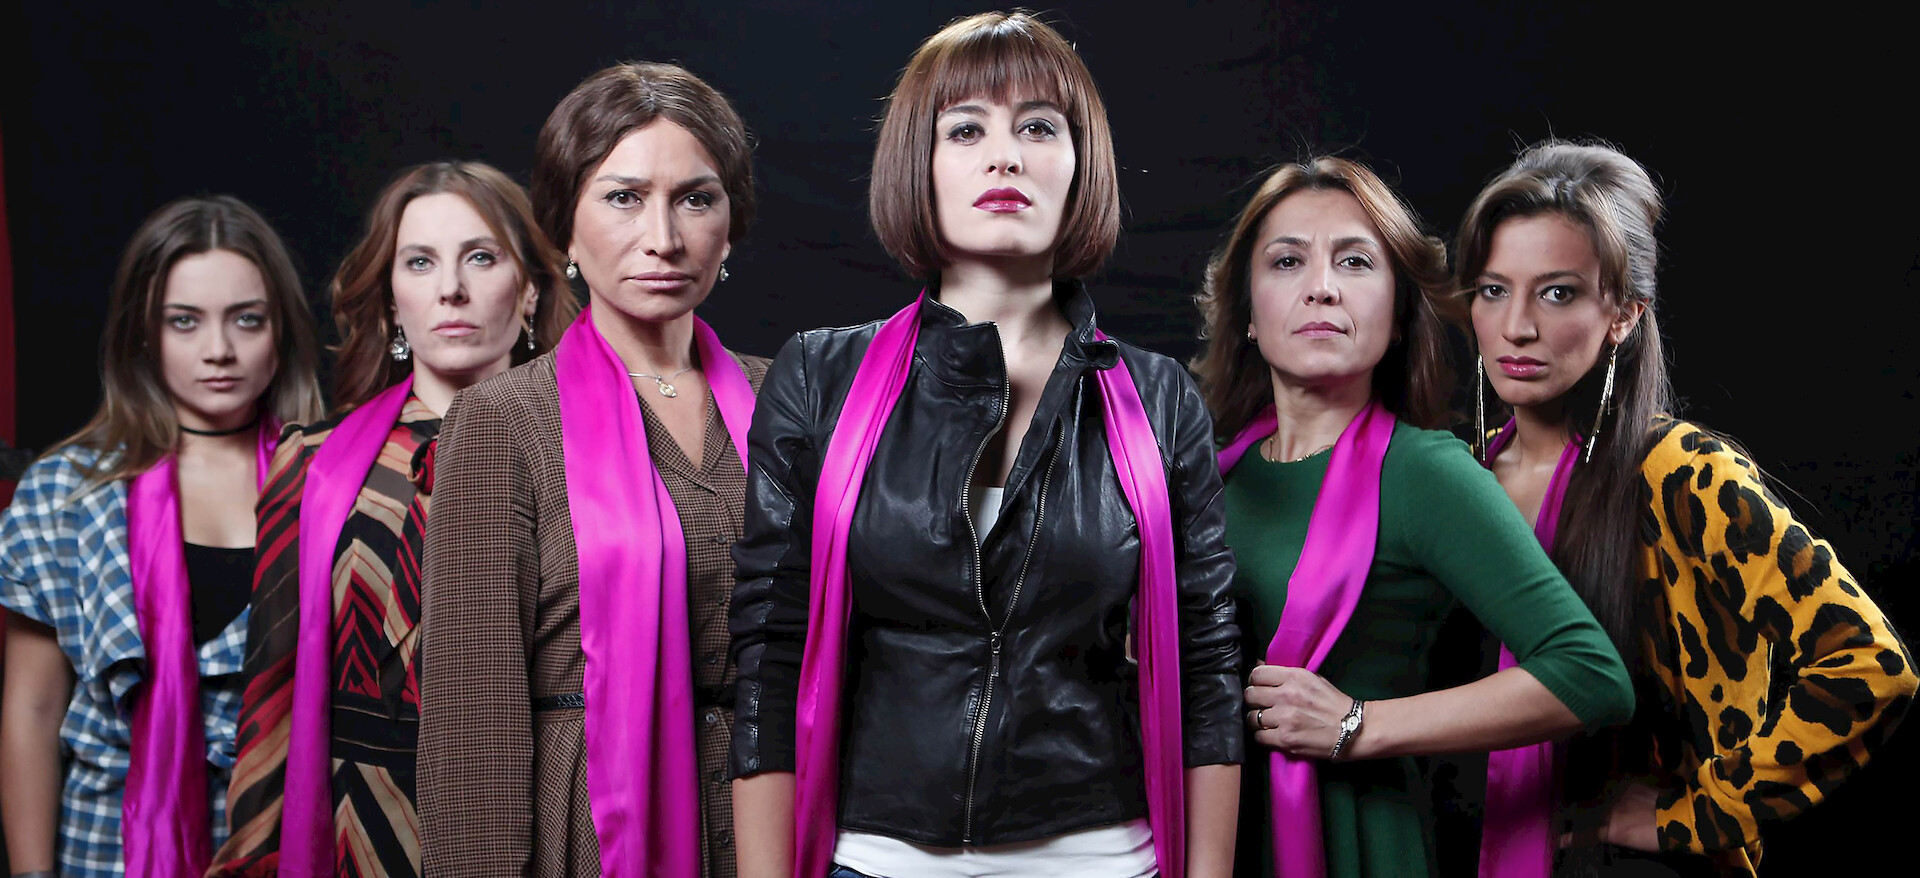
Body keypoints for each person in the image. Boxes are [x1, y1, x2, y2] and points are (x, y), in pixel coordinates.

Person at [729, 12, 1242, 878]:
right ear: (917, 165)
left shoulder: (1160, 399)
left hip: (1107, 857)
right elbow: (770, 658)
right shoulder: (818, 376)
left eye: (1038, 127)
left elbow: (1206, 666)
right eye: (966, 130)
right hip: (874, 858)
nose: (1005, 157)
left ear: (1081, 164)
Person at [1455, 141, 1916, 876]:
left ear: (1624, 314)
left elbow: (1871, 663)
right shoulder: (1460, 478)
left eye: (1557, 293)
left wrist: (1700, 813)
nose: (1516, 326)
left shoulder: (1681, 472)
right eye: (1491, 289)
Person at [1190, 157, 1635, 878]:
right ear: (1245, 311)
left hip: (1360, 846)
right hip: (1206, 839)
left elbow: (1590, 674)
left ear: (1398, 315)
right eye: (1288, 261)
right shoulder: (1207, 479)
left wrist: (1359, 725)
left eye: (1355, 261)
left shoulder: (1424, 472)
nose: (1322, 286)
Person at [417, 62, 767, 878]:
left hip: (772, 819)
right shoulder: (504, 420)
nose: (663, 238)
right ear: (564, 229)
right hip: (591, 829)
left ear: (730, 228)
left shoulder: (789, 397)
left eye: (696, 199)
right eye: (623, 197)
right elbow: (472, 721)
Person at [211, 161, 577, 878]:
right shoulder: (313, 465)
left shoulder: (594, 455)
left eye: (481, 257)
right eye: (420, 262)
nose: (451, 289)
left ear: (530, 287)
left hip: (551, 812)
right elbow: (270, 698)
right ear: (390, 301)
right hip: (365, 824)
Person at [0, 196, 323, 878]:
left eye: (247, 319)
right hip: (105, 848)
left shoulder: (334, 481)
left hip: (285, 847)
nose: (219, 350)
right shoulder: (65, 493)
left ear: (282, 330)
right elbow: (32, 708)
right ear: (144, 334)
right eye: (185, 321)